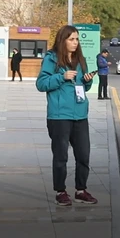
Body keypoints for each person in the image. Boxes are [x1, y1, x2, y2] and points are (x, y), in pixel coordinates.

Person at [36, 25, 98, 206]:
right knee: (61, 156)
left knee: (83, 154)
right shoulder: (51, 58)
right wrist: (61, 77)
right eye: (71, 39)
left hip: (80, 114)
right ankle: (60, 191)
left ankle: (81, 190)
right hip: (59, 116)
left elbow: (83, 87)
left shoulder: (80, 59)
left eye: (77, 39)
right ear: (62, 40)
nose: (75, 42)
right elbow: (41, 84)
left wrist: (88, 81)